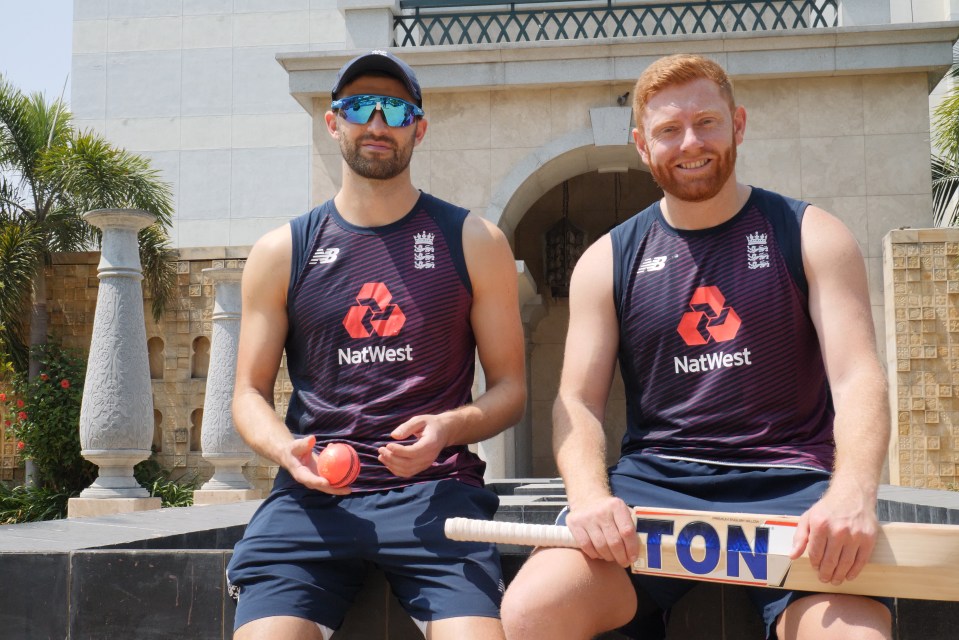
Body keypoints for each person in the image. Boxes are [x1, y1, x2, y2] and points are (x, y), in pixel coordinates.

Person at [500, 53, 893, 640]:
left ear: (738, 123)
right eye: (668, 129)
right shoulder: (607, 260)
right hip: (657, 488)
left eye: (706, 122)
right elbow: (576, 403)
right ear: (641, 144)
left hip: (791, 487)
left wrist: (852, 493)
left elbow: (859, 377)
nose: (690, 142)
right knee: (534, 608)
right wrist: (586, 497)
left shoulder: (811, 233)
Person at [226, 50, 526, 640]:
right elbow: (247, 394)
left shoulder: (473, 240)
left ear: (419, 125)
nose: (377, 123)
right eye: (359, 106)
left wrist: (447, 428)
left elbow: (512, 388)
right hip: (313, 502)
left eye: (395, 108)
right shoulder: (281, 252)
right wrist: (288, 452)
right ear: (333, 121)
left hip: (436, 494)